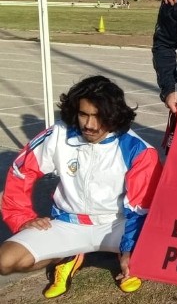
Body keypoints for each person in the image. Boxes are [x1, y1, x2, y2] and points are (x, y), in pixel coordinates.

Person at [0, 76, 162, 298]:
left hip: (116, 225)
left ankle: (122, 253)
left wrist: (129, 249)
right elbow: (21, 171)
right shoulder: (58, 134)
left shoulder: (139, 150)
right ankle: (67, 256)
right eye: (84, 114)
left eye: (99, 116)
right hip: (68, 224)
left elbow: (141, 208)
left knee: (160, 252)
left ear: (113, 115)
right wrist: (21, 217)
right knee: (6, 261)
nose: (89, 124)